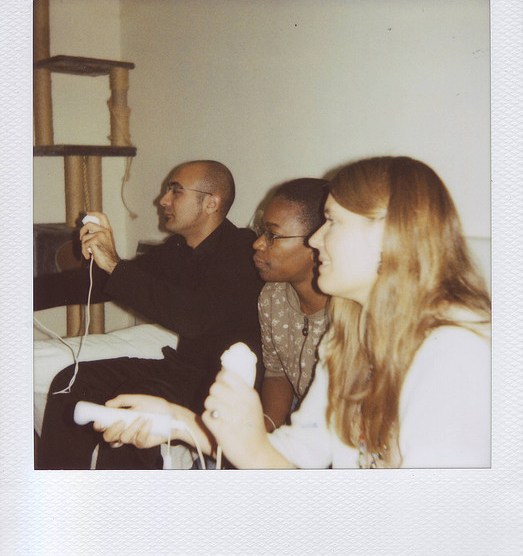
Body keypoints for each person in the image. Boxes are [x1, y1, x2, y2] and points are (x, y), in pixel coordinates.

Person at [98, 156, 490, 470]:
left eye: (332, 222)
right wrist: (180, 423)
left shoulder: (455, 352)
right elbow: (292, 454)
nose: (316, 239)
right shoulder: (348, 338)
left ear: (388, 236)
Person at [36, 160, 263, 469]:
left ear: (211, 202)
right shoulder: (178, 249)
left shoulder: (243, 250)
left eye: (176, 191)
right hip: (182, 370)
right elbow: (109, 282)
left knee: (134, 405)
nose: (163, 200)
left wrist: (114, 264)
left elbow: (193, 318)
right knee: (72, 382)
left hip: (221, 385)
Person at [252, 178, 329, 431]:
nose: (258, 243)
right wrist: (264, 433)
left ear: (317, 244)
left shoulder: (350, 309)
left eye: (272, 235)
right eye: (261, 231)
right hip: (297, 418)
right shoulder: (272, 296)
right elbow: (277, 373)